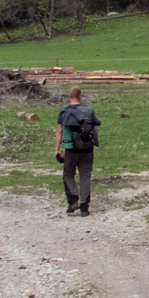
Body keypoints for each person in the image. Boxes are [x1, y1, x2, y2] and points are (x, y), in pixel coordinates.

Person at [54, 88, 100, 216]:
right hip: (87, 148)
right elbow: (93, 131)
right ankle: (84, 207)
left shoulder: (64, 112)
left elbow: (59, 131)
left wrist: (57, 149)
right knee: (85, 176)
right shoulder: (89, 111)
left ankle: (73, 200)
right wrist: (93, 146)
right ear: (81, 96)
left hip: (70, 149)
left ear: (69, 96)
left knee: (68, 175)